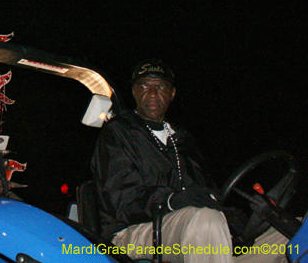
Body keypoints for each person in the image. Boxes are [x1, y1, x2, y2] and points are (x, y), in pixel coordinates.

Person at [91, 59, 289, 263]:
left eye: (160, 86)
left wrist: (239, 215)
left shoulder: (182, 139)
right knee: (205, 222)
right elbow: (121, 200)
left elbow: (204, 194)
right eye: (144, 86)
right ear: (133, 92)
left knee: (290, 231)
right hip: (132, 233)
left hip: (194, 232)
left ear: (172, 94)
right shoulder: (118, 132)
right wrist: (171, 200)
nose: (152, 93)